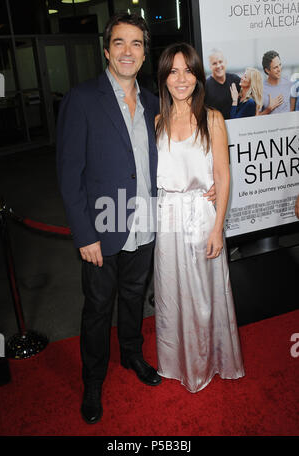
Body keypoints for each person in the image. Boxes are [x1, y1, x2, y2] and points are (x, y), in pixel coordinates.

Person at [56, 13, 163, 425]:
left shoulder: (154, 101)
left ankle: (133, 356)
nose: (127, 51)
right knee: (98, 307)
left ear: (144, 52)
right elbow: (69, 174)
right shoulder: (82, 99)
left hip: (145, 224)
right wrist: (84, 233)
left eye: (136, 43)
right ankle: (92, 382)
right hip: (101, 228)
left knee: (135, 297)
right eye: (119, 42)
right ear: (106, 49)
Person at [154, 43, 245, 393]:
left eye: (188, 70)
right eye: (173, 71)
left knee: (207, 297)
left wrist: (217, 228)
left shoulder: (213, 119)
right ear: (163, 77)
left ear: (197, 76)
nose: (181, 78)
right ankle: (178, 361)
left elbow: (222, 176)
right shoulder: (157, 121)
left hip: (203, 219)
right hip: (168, 220)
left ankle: (212, 360)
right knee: (171, 294)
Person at [205, 49, 240, 119]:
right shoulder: (206, 86)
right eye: (214, 63)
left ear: (225, 62)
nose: (218, 66)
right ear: (210, 66)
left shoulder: (235, 80)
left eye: (220, 62)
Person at [260, 50, 293, 115]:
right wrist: (269, 109)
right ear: (267, 70)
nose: (279, 69)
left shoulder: (289, 83)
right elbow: (255, 118)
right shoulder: (261, 89)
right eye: (275, 67)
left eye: (280, 65)